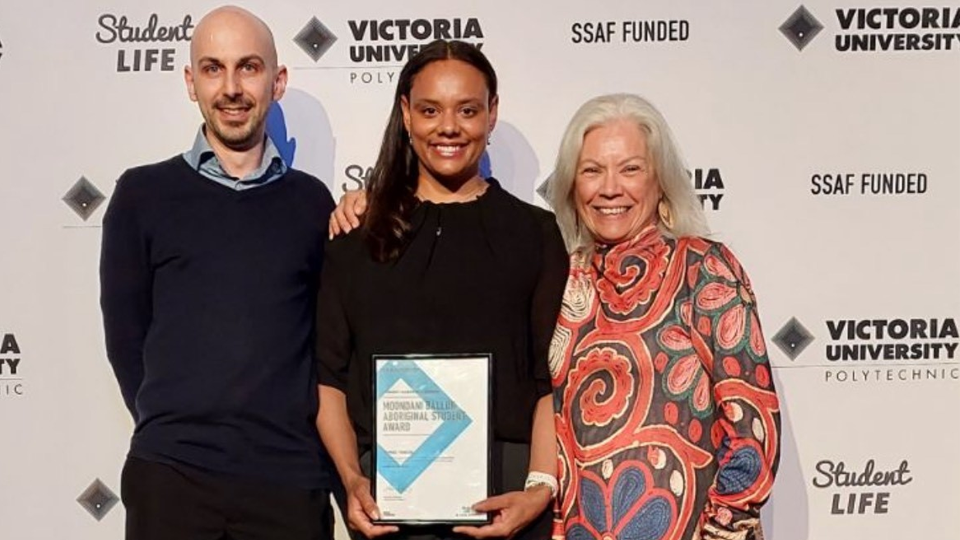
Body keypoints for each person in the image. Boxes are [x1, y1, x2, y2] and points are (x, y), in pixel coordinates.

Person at [99, 6, 337, 539]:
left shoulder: (312, 203)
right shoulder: (142, 195)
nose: (231, 87)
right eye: (213, 68)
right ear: (191, 82)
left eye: (248, 67)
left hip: (288, 479)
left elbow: (324, 342)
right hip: (172, 477)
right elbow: (126, 339)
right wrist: (183, 425)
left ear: (277, 82)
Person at [315, 39, 568, 540]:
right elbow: (328, 379)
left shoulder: (535, 235)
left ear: (492, 114)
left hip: (509, 509)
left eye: (468, 110)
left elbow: (552, 378)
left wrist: (539, 489)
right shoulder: (356, 241)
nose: (448, 127)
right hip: (388, 508)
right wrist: (350, 480)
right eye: (430, 110)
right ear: (406, 115)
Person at [545, 93, 780, 540]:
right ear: (572, 185)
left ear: (661, 181)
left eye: (630, 169)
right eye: (592, 170)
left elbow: (753, 424)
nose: (610, 188)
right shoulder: (562, 278)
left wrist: (722, 529)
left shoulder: (702, 268)